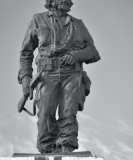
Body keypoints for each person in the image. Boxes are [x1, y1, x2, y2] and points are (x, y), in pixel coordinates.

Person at [18, 0, 101, 153]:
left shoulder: (79, 25)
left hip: (71, 74)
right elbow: (26, 53)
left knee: (68, 113)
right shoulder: (38, 20)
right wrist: (25, 79)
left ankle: (67, 149)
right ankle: (46, 151)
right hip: (46, 74)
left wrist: (76, 55)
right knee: (44, 114)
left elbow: (93, 52)